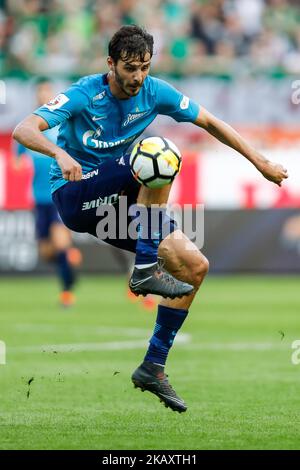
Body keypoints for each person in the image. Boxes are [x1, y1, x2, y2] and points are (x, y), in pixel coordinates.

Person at [13, 25, 288, 412]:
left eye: (144, 67)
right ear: (111, 64)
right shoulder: (83, 93)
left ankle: (153, 365)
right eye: (129, 68)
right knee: (158, 153)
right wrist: (59, 154)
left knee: (194, 267)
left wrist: (260, 161)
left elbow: (210, 122)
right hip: (75, 195)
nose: (138, 77)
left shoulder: (155, 92)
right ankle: (144, 265)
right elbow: (25, 129)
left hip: (120, 201)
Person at [15, 77, 81, 308]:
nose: (43, 96)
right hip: (39, 198)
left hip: (59, 195)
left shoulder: (62, 123)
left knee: (60, 242)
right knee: (46, 252)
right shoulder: (28, 127)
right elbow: (18, 159)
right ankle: (70, 258)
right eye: (40, 92)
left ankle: (67, 293)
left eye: (47, 92)